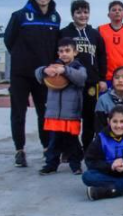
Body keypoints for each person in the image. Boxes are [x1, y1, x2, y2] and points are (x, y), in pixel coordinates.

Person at [4, 0, 60, 167]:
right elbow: (9, 41)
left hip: (43, 75)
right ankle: (19, 149)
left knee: (44, 112)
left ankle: (46, 148)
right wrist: (23, 58)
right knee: (18, 112)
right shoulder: (20, 16)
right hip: (21, 74)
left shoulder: (55, 18)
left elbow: (55, 46)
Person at [35, 38, 88, 175]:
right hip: (53, 114)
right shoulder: (52, 66)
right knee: (53, 141)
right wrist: (44, 70)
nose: (64, 54)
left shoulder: (78, 68)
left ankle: (75, 165)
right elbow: (37, 73)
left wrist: (64, 70)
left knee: (72, 141)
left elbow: (81, 78)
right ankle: (51, 165)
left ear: (75, 52)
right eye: (61, 51)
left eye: (67, 51)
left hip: (71, 114)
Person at [60, 0, 107, 149]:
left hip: (91, 82)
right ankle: (70, 150)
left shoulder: (94, 34)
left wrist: (102, 78)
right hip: (70, 81)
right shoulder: (64, 33)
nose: (82, 15)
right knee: (71, 117)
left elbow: (101, 56)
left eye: (85, 12)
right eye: (79, 12)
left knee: (89, 117)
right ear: (73, 14)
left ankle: (87, 147)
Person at [99, 0, 123, 87]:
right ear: (108, 15)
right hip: (106, 77)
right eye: (114, 10)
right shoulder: (100, 30)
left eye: (120, 10)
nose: (117, 11)